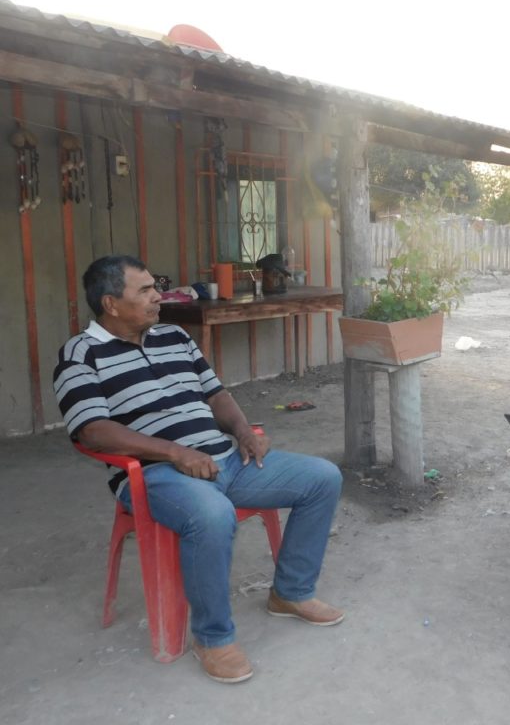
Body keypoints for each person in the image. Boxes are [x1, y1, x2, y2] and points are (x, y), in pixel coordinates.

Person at [53, 255, 344, 684]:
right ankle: (212, 637)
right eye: (145, 290)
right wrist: (174, 453)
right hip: (155, 475)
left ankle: (290, 593)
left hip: (225, 461)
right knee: (212, 514)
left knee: (322, 478)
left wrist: (243, 432)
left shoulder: (174, 337)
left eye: (156, 287)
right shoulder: (80, 353)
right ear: (111, 303)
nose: (158, 297)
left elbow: (216, 395)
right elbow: (92, 431)